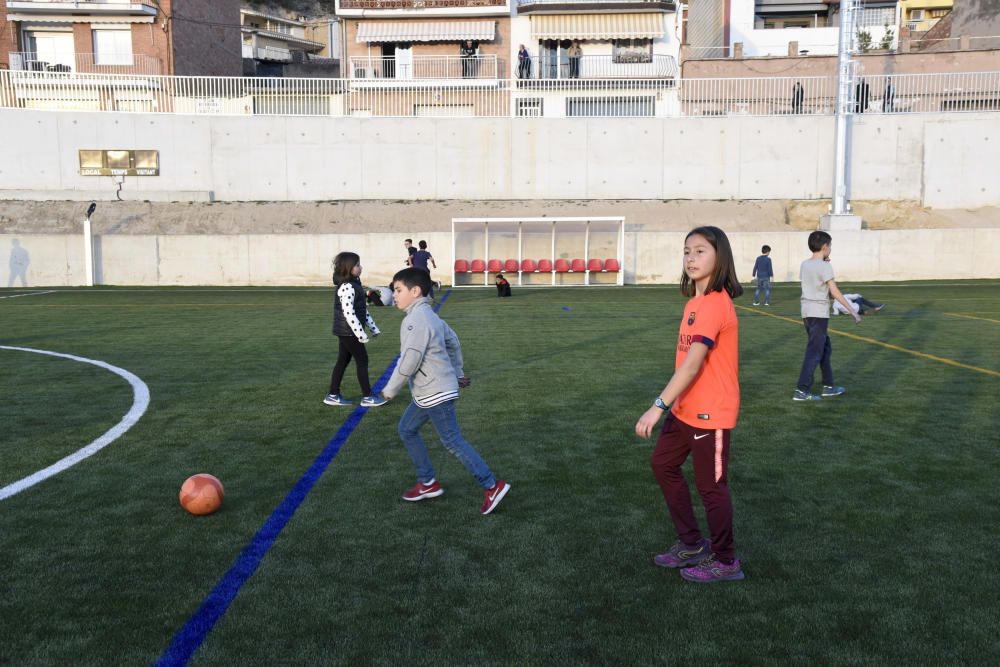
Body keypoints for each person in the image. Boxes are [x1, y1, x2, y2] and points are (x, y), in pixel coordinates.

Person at [636, 226, 745, 583]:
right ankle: (692, 544)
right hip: (686, 411)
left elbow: (694, 363)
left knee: (711, 487)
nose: (691, 258)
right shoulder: (694, 303)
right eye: (687, 251)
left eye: (700, 251)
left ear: (720, 257)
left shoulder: (715, 303)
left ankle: (726, 561)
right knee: (663, 464)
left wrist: (658, 405)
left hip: (710, 414)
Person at [380, 267, 511, 515]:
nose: (393, 295)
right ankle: (427, 482)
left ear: (415, 291)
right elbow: (453, 341)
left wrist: (390, 390)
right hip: (429, 391)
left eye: (398, 290)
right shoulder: (430, 316)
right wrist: (458, 373)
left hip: (435, 392)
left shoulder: (414, 321)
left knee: (452, 441)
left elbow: (409, 361)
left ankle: (492, 485)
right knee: (407, 429)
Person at [794, 231, 862, 402]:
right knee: (814, 352)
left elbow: (814, 284)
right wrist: (852, 311)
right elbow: (834, 292)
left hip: (807, 313)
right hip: (818, 314)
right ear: (825, 247)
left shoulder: (805, 264)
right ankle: (801, 391)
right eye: (830, 246)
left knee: (825, 348)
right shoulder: (825, 266)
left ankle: (829, 386)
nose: (830, 249)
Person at [324, 252, 387, 408]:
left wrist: (373, 328)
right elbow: (349, 313)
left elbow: (362, 310)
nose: (361, 267)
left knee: (343, 360)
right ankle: (368, 396)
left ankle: (333, 394)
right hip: (348, 331)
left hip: (347, 331)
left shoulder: (355, 284)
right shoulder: (347, 286)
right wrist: (360, 334)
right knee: (362, 360)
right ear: (348, 268)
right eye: (357, 265)